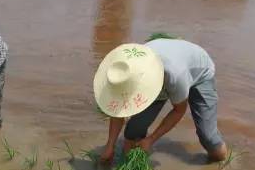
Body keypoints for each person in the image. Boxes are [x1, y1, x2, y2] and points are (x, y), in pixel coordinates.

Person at [93, 39, 228, 162]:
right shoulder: (125, 70)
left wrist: (151, 140)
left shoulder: (175, 75)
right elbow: (119, 109)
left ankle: (221, 161)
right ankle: (130, 163)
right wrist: (110, 146)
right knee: (133, 130)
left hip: (199, 72)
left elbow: (178, 110)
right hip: (163, 67)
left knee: (208, 138)